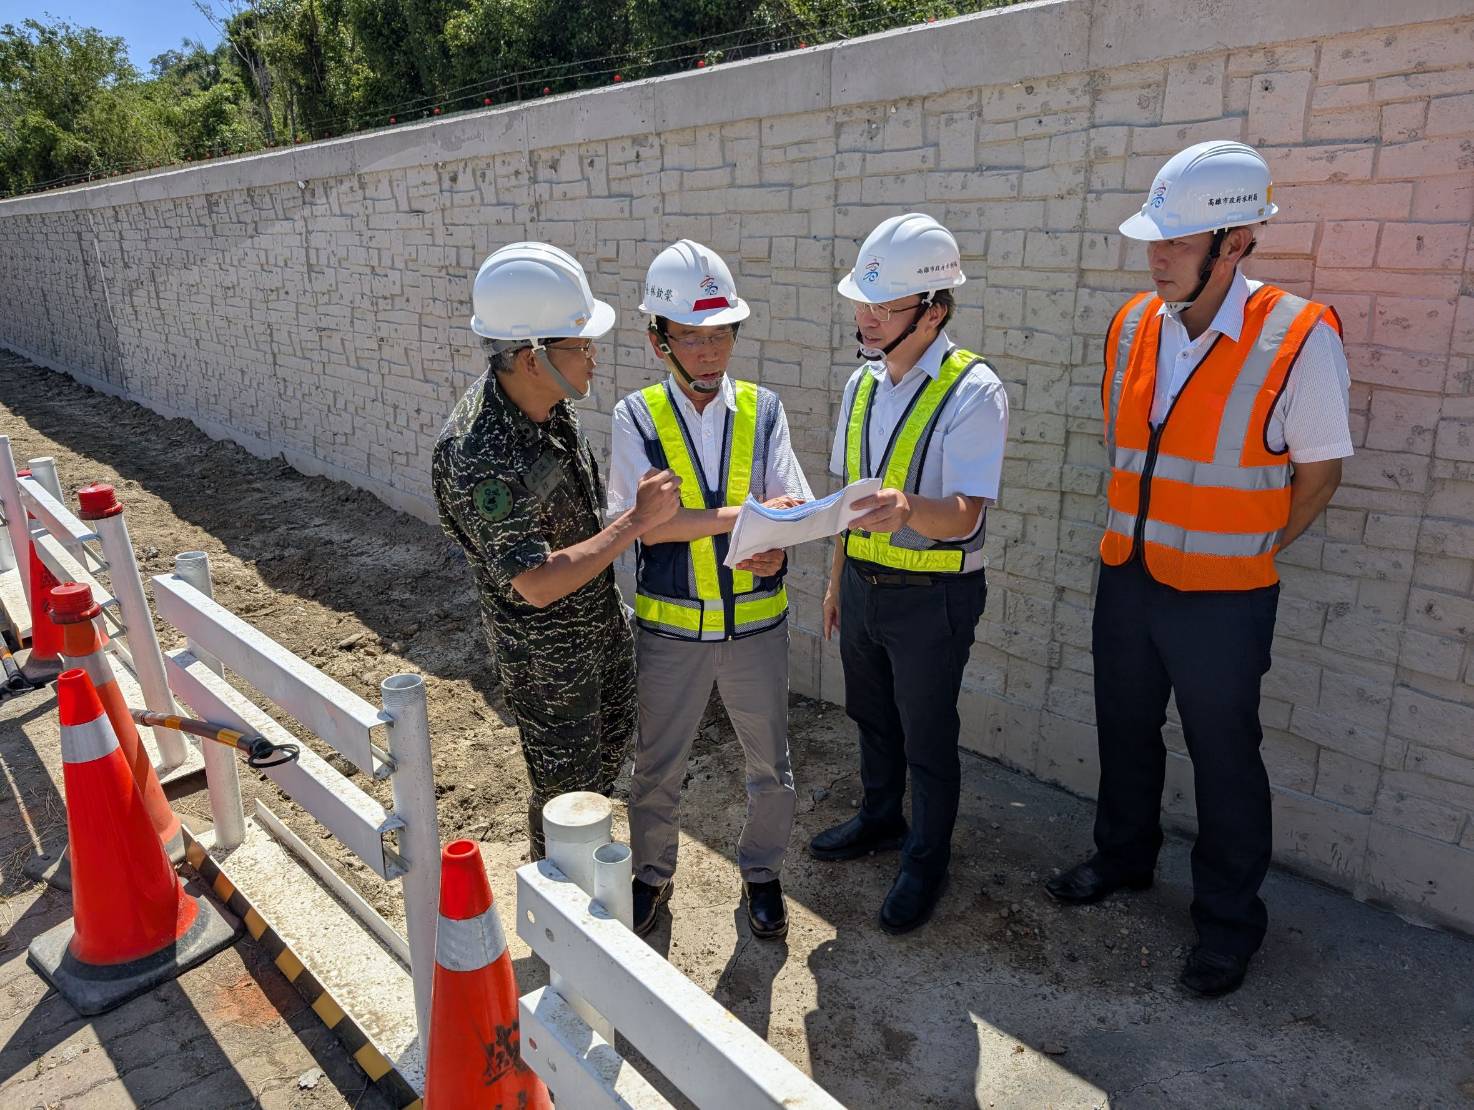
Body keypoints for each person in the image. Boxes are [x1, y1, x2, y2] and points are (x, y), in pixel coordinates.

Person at [1045, 141, 1353, 999]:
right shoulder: (1133, 325)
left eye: (1179, 242)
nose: (1158, 256)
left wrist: (1250, 543)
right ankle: (1123, 859)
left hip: (1225, 597)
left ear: (1238, 241)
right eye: (1156, 239)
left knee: (1225, 758)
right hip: (1130, 576)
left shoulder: (1297, 335)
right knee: (1125, 729)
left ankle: (1225, 925)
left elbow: (1320, 474)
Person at [433, 241, 680, 859]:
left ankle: (582, 874)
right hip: (549, 666)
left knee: (601, 769)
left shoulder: (550, 408)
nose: (593, 357)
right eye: (580, 346)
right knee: (566, 798)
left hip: (598, 631)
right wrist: (634, 523)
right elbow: (536, 581)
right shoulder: (476, 452)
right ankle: (567, 912)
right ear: (530, 356)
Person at [808, 213, 1009, 934]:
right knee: (873, 718)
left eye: (882, 306)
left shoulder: (973, 391)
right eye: (861, 302)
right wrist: (836, 583)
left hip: (935, 598)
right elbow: (843, 497)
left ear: (934, 312)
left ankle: (926, 860)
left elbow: (963, 517)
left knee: (927, 735)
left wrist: (906, 509)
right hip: (863, 586)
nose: (864, 318)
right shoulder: (861, 385)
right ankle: (879, 819)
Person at [608, 239, 813, 940]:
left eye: (720, 332)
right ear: (657, 340)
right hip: (670, 635)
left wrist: (773, 546)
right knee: (656, 768)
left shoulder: (764, 409)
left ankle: (762, 874)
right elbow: (646, 529)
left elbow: (792, 508)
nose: (708, 350)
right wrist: (743, 518)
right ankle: (650, 876)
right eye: (691, 336)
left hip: (757, 627)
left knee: (772, 768)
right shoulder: (635, 417)